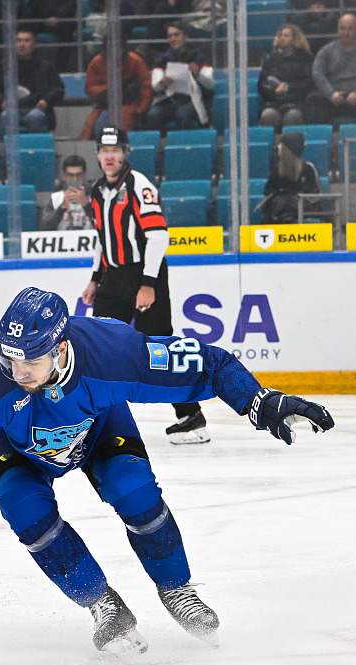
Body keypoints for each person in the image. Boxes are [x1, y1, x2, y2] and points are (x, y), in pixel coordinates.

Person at [0, 287, 335, 655]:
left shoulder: (113, 352)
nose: (16, 372)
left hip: (97, 430)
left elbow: (212, 363)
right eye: (9, 360)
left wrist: (261, 401)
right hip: (17, 450)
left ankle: (176, 589)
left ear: (60, 348)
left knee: (133, 489)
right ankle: (102, 604)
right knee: (24, 509)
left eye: (30, 362)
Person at [81, 127, 208, 444]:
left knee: (159, 347)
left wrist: (148, 283)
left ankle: (191, 417)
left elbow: (158, 236)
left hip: (144, 274)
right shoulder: (97, 190)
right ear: (98, 155)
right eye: (104, 150)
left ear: (125, 153)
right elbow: (103, 238)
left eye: (115, 150)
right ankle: (97, 419)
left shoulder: (140, 186)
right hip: (113, 277)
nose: (109, 156)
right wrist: (96, 278)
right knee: (98, 346)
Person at [302, 14, 356, 125]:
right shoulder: (326, 51)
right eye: (342, 28)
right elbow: (317, 73)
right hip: (332, 100)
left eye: (350, 29)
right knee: (313, 100)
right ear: (337, 30)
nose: (346, 32)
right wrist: (330, 94)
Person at [0, 28, 65, 136]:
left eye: (26, 40)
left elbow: (57, 89)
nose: (22, 44)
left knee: (35, 117)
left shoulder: (46, 67)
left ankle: (36, 147)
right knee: (7, 117)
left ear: (34, 45)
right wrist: (1, 101)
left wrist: (46, 101)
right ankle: (3, 146)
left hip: (37, 109)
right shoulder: (2, 67)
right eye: (18, 40)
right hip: (9, 109)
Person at [143, 22, 214, 131]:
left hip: (189, 101)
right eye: (170, 36)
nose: (173, 39)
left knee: (183, 115)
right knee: (153, 115)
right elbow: (155, 86)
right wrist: (162, 83)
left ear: (185, 36)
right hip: (167, 100)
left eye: (176, 35)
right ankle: (160, 141)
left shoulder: (200, 58)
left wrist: (198, 74)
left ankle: (183, 141)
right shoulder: (161, 60)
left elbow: (209, 84)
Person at [81, 37, 152, 140]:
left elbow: (146, 87)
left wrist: (141, 109)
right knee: (98, 126)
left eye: (118, 47)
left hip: (129, 104)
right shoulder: (96, 63)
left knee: (122, 130)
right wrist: (109, 87)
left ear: (124, 48)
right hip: (105, 106)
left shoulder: (135, 61)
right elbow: (89, 87)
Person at [257, 24, 315, 129]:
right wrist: (274, 92)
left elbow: (308, 83)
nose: (282, 38)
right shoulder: (269, 58)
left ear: (295, 39)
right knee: (268, 116)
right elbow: (262, 84)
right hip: (273, 102)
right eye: (281, 35)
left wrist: (289, 87)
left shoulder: (304, 58)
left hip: (296, 103)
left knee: (293, 117)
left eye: (286, 36)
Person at [258, 131, 322, 223]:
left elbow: (314, 196)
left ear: (288, 150)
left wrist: (292, 197)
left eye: (281, 144)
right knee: (278, 202)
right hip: (279, 208)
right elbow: (268, 192)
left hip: (304, 210)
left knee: (285, 202)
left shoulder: (308, 169)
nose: (278, 147)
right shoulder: (277, 170)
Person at [41, 155, 94, 231]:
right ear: (64, 176)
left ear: (85, 175)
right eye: (70, 175)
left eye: (79, 175)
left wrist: (87, 205)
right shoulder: (55, 198)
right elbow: (44, 229)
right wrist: (62, 208)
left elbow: (105, 225)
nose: (75, 179)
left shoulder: (95, 196)